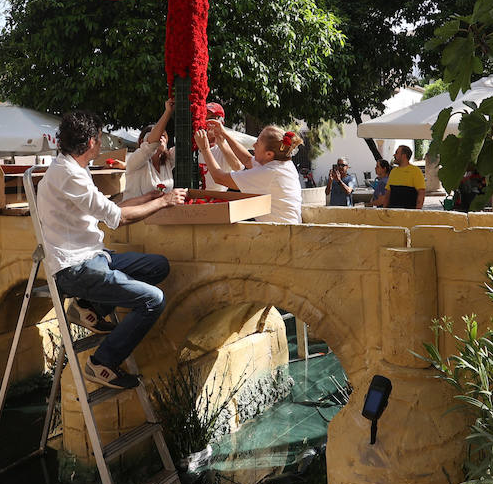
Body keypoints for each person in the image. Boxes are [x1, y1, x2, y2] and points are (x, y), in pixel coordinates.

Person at [36, 110, 186, 390]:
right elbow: (119, 219)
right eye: (100, 137)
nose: (102, 142)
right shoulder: (70, 175)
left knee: (158, 266)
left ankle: (89, 307)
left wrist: (145, 198)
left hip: (93, 257)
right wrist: (163, 202)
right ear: (91, 142)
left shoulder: (72, 168)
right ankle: (102, 363)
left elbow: (107, 209)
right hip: (76, 269)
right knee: (153, 300)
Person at [195, 123, 304, 223]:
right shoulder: (283, 163)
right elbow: (247, 160)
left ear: (269, 154)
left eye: (258, 143)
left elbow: (219, 178)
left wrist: (204, 149)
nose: (254, 145)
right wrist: (224, 134)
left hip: (281, 233)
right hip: (287, 228)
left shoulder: (268, 173)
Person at [124, 98, 176, 199]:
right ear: (141, 142)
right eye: (155, 135)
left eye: (163, 136)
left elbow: (187, 144)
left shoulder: (168, 160)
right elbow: (151, 145)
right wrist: (168, 112)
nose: (160, 138)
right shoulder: (135, 160)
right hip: (136, 209)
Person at [375, 145, 426, 209]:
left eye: (396, 153)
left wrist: (417, 211)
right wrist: (384, 209)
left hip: (408, 211)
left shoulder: (415, 171)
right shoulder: (393, 171)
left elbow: (421, 193)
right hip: (393, 211)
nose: (394, 155)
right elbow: (388, 193)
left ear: (403, 156)